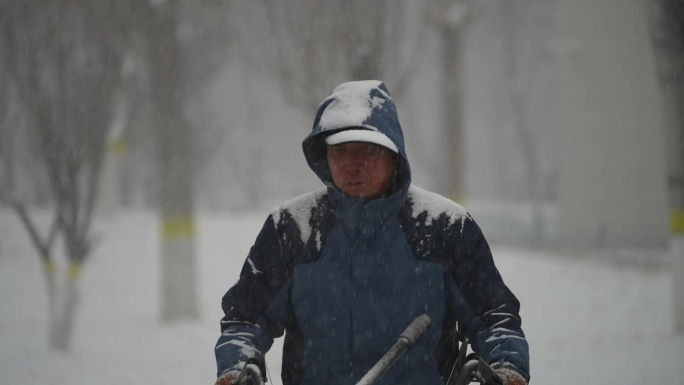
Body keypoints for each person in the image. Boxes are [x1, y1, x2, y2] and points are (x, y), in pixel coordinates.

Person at [214, 80, 530, 385]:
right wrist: (237, 368)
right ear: (325, 157)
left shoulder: (445, 227)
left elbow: (495, 318)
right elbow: (245, 319)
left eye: (366, 151)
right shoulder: (291, 228)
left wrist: (506, 367)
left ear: (393, 156)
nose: (352, 165)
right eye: (340, 152)